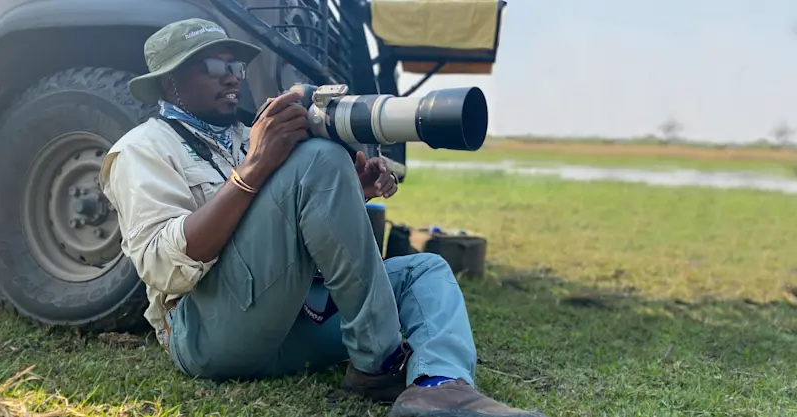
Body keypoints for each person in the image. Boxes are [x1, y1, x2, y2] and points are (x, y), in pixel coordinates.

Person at [99, 18, 546, 417]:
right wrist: (254, 169)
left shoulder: (249, 132)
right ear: (168, 84)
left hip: (289, 324)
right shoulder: (141, 149)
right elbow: (160, 266)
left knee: (424, 270)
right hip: (212, 335)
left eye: (235, 67)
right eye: (214, 68)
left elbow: (297, 236)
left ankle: (438, 388)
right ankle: (378, 365)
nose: (232, 78)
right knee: (317, 156)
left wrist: (350, 194)